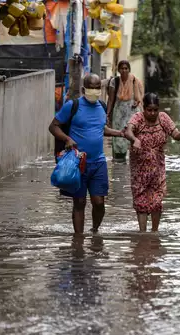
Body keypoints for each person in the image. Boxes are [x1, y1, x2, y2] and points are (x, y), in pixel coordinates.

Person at [49, 74, 125, 235]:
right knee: (80, 202)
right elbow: (53, 126)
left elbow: (100, 129)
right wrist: (67, 138)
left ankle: (94, 231)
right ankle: (78, 241)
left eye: (98, 87)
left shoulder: (102, 107)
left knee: (99, 203)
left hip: (98, 163)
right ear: (84, 89)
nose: (95, 90)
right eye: (91, 87)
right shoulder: (72, 106)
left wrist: (120, 133)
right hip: (77, 163)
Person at [125, 93, 180, 232]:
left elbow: (176, 135)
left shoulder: (163, 118)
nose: (152, 113)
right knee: (141, 200)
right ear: (143, 108)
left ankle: (154, 232)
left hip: (157, 166)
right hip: (139, 168)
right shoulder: (137, 118)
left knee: (156, 201)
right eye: (149, 110)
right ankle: (143, 234)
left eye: (155, 109)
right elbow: (128, 131)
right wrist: (135, 140)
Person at [107, 60, 144, 162]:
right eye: (122, 68)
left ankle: (134, 160)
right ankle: (119, 161)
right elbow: (110, 99)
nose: (124, 70)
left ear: (129, 69)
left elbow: (139, 98)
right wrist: (108, 113)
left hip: (131, 113)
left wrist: (137, 103)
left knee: (133, 136)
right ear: (118, 70)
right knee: (119, 137)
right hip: (118, 113)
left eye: (126, 68)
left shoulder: (134, 81)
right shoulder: (114, 82)